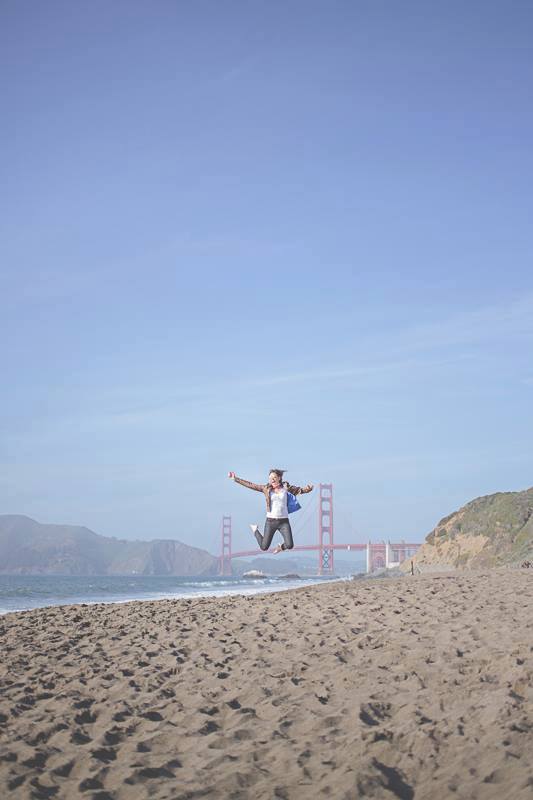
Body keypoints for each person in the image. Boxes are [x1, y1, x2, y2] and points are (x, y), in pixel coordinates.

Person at [228, 469, 314, 554]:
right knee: (264, 547)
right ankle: (255, 530)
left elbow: (300, 490)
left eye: (274, 477)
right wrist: (235, 479)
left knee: (290, 545)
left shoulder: (286, 488)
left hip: (284, 522)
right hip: (270, 522)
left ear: (279, 478)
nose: (272, 480)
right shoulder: (266, 488)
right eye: (270, 478)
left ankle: (280, 547)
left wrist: (308, 489)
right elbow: (251, 485)